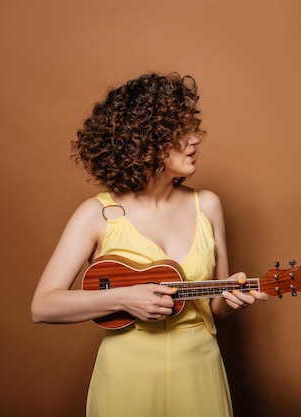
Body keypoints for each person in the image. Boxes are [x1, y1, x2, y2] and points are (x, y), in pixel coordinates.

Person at [31, 72, 268, 417]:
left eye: (193, 129)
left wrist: (230, 302)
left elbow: (215, 304)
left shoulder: (209, 206)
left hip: (199, 368)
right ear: (146, 140)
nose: (195, 140)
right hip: (127, 376)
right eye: (181, 132)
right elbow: (43, 306)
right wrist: (124, 297)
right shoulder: (97, 214)